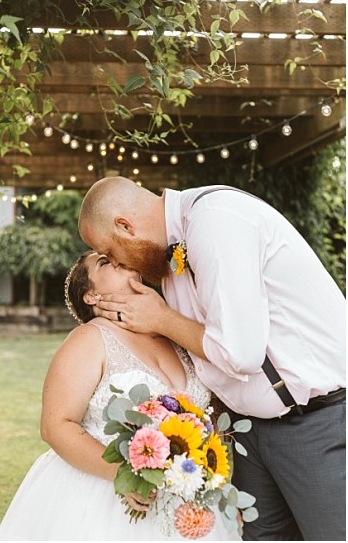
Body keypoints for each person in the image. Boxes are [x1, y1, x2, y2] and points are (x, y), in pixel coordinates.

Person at [78, 177, 346, 540]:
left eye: (110, 253)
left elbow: (240, 354)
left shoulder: (215, 221)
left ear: (125, 227)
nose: (121, 264)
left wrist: (161, 319)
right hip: (249, 435)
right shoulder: (167, 258)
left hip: (313, 424)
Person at [0, 252, 239, 541]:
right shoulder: (89, 338)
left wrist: (218, 489)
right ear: (90, 295)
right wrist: (124, 476)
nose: (119, 260)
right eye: (104, 262)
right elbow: (55, 425)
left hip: (186, 504)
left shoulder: (172, 335)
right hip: (103, 500)